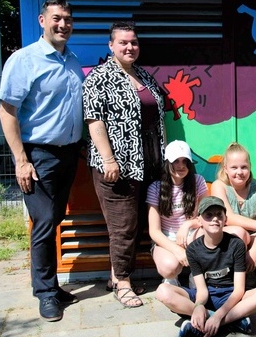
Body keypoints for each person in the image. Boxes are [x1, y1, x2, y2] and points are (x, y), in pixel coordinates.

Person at [0, 0, 82, 321]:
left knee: (54, 218)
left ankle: (51, 286)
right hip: (38, 155)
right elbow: (7, 111)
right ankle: (45, 292)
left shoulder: (72, 60)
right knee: (44, 221)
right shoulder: (24, 60)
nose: (63, 24)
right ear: (42, 20)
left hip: (69, 153)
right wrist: (21, 160)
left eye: (68, 19)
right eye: (57, 18)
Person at [83, 21, 167, 308]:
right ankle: (122, 283)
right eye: (123, 42)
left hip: (147, 165)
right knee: (123, 227)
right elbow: (94, 121)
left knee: (138, 224)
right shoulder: (99, 78)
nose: (129, 47)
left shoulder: (143, 75)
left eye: (133, 42)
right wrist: (109, 159)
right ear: (111, 46)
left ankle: (115, 276)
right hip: (117, 168)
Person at [155, 196, 256, 337]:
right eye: (208, 215)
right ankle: (230, 320)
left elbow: (239, 290)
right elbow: (201, 289)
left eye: (219, 215)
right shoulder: (193, 249)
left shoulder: (236, 245)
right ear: (199, 221)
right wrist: (199, 306)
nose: (215, 219)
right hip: (206, 295)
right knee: (163, 291)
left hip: (230, 295)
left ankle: (213, 323)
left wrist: (218, 317)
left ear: (225, 219)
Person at [211, 142, 256, 272]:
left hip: (254, 238)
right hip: (227, 238)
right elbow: (228, 218)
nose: (239, 172)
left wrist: (254, 252)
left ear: (250, 167)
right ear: (225, 169)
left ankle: (249, 270)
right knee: (239, 233)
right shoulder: (219, 186)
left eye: (244, 167)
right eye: (234, 167)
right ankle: (230, 274)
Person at [147, 140, 208, 286]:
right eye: (176, 161)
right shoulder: (155, 188)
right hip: (166, 237)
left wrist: (187, 225)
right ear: (167, 162)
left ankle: (196, 278)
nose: (181, 166)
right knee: (169, 268)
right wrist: (176, 250)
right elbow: (154, 231)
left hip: (192, 234)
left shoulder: (198, 181)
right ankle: (172, 279)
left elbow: (206, 217)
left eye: (185, 161)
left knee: (209, 235)